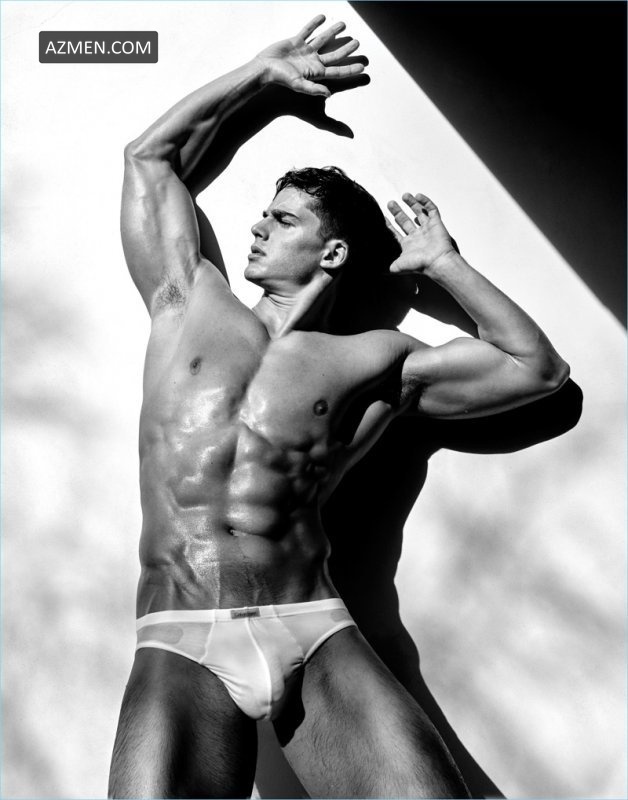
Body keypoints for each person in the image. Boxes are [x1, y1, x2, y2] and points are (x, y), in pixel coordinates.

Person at [109, 15, 569, 799]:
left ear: (331, 253)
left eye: (283, 219)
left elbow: (537, 370)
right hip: (179, 629)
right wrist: (261, 75)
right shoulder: (188, 300)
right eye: (264, 213)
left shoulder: (373, 360)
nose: (257, 225)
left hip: (313, 625)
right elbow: (149, 160)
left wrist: (445, 266)